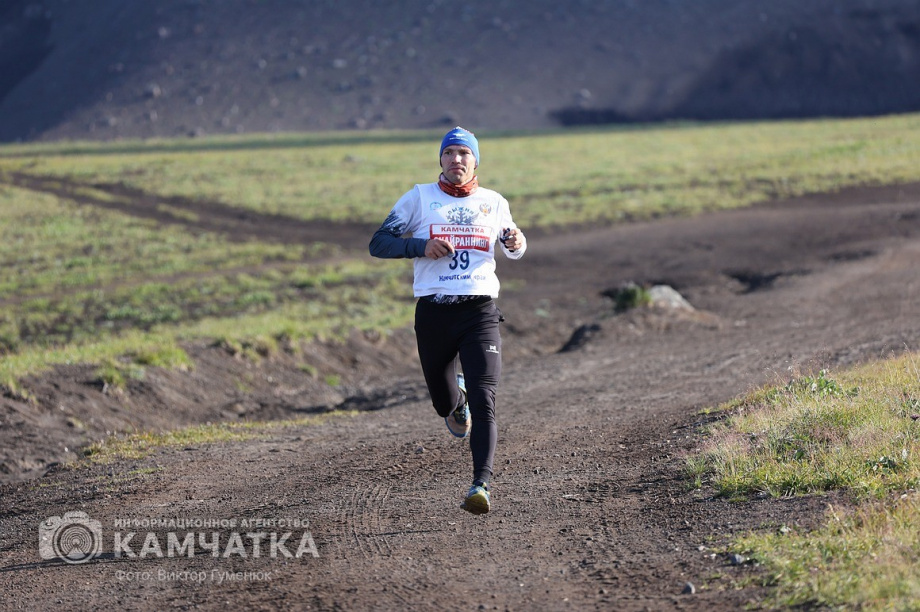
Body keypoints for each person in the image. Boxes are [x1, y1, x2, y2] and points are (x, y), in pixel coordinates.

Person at [368, 126, 526, 515]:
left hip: (479, 311)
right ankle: (456, 402)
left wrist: (516, 242)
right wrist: (420, 245)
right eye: (450, 153)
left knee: (486, 397)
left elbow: (513, 241)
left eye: (464, 154)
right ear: (441, 159)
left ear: (475, 162)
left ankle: (481, 484)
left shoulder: (494, 201)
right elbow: (378, 243)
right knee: (443, 405)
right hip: (435, 313)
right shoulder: (419, 198)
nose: (457, 159)